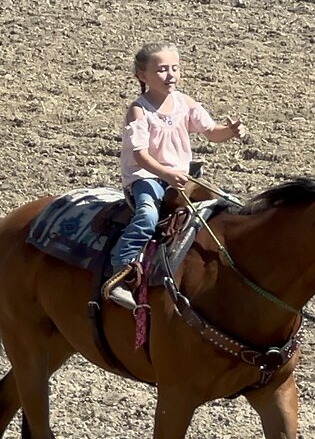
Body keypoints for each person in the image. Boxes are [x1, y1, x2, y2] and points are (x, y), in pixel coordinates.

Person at [103, 42, 248, 309]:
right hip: (146, 177)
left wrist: (230, 132)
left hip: (179, 178)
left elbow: (212, 132)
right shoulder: (139, 109)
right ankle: (120, 268)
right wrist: (165, 174)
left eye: (174, 68)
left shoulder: (185, 103)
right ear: (142, 76)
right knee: (147, 215)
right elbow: (140, 155)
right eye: (161, 70)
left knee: (226, 206)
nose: (170, 75)